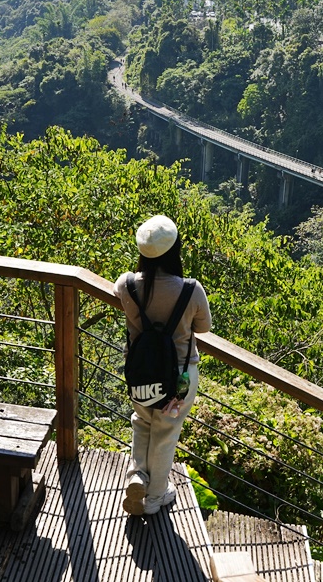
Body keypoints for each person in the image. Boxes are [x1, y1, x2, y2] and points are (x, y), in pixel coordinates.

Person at [113, 215, 212, 515]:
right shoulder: (190, 290)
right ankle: (155, 497)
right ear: (175, 250)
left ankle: (137, 475)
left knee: (142, 421)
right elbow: (204, 327)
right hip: (180, 376)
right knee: (166, 432)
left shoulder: (126, 284)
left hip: (140, 372)